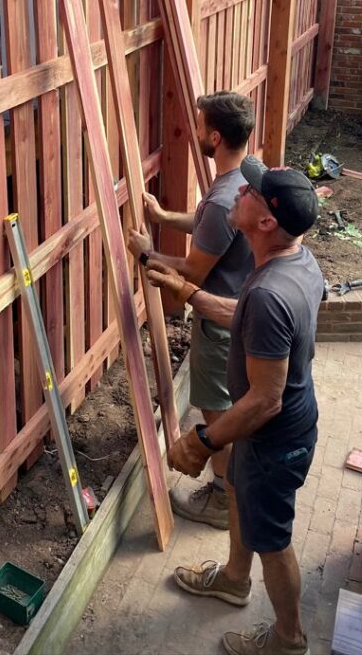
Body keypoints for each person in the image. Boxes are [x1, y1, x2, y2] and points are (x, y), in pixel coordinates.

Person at [148, 156, 322, 655]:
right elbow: (246, 313)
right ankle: (232, 579)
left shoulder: (270, 292)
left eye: (249, 192)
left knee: (273, 538)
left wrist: (203, 440)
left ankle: (288, 639)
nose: (238, 193)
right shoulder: (292, 262)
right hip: (267, 433)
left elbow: (266, 399)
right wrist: (189, 293)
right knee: (243, 502)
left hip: (274, 437)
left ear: (266, 220)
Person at [127, 91, 256, 529]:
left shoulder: (224, 200)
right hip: (236, 313)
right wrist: (165, 217)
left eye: (199, 127)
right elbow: (206, 226)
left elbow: (193, 271)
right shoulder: (239, 179)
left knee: (217, 413)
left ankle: (223, 498)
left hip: (220, 326)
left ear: (214, 137)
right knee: (223, 406)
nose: (195, 132)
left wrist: (148, 254)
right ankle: (231, 488)